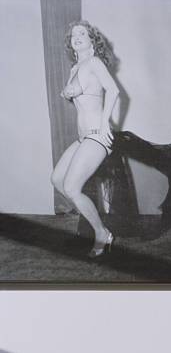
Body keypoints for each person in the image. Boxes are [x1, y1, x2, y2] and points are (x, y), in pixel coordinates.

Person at [51, 21, 119, 257]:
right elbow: (79, 94)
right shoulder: (75, 68)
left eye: (83, 33)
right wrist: (68, 92)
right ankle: (94, 223)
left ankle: (102, 233)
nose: (77, 37)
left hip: (97, 136)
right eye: (73, 36)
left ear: (92, 40)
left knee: (71, 186)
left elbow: (113, 90)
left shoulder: (94, 62)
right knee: (58, 181)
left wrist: (103, 125)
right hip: (83, 138)